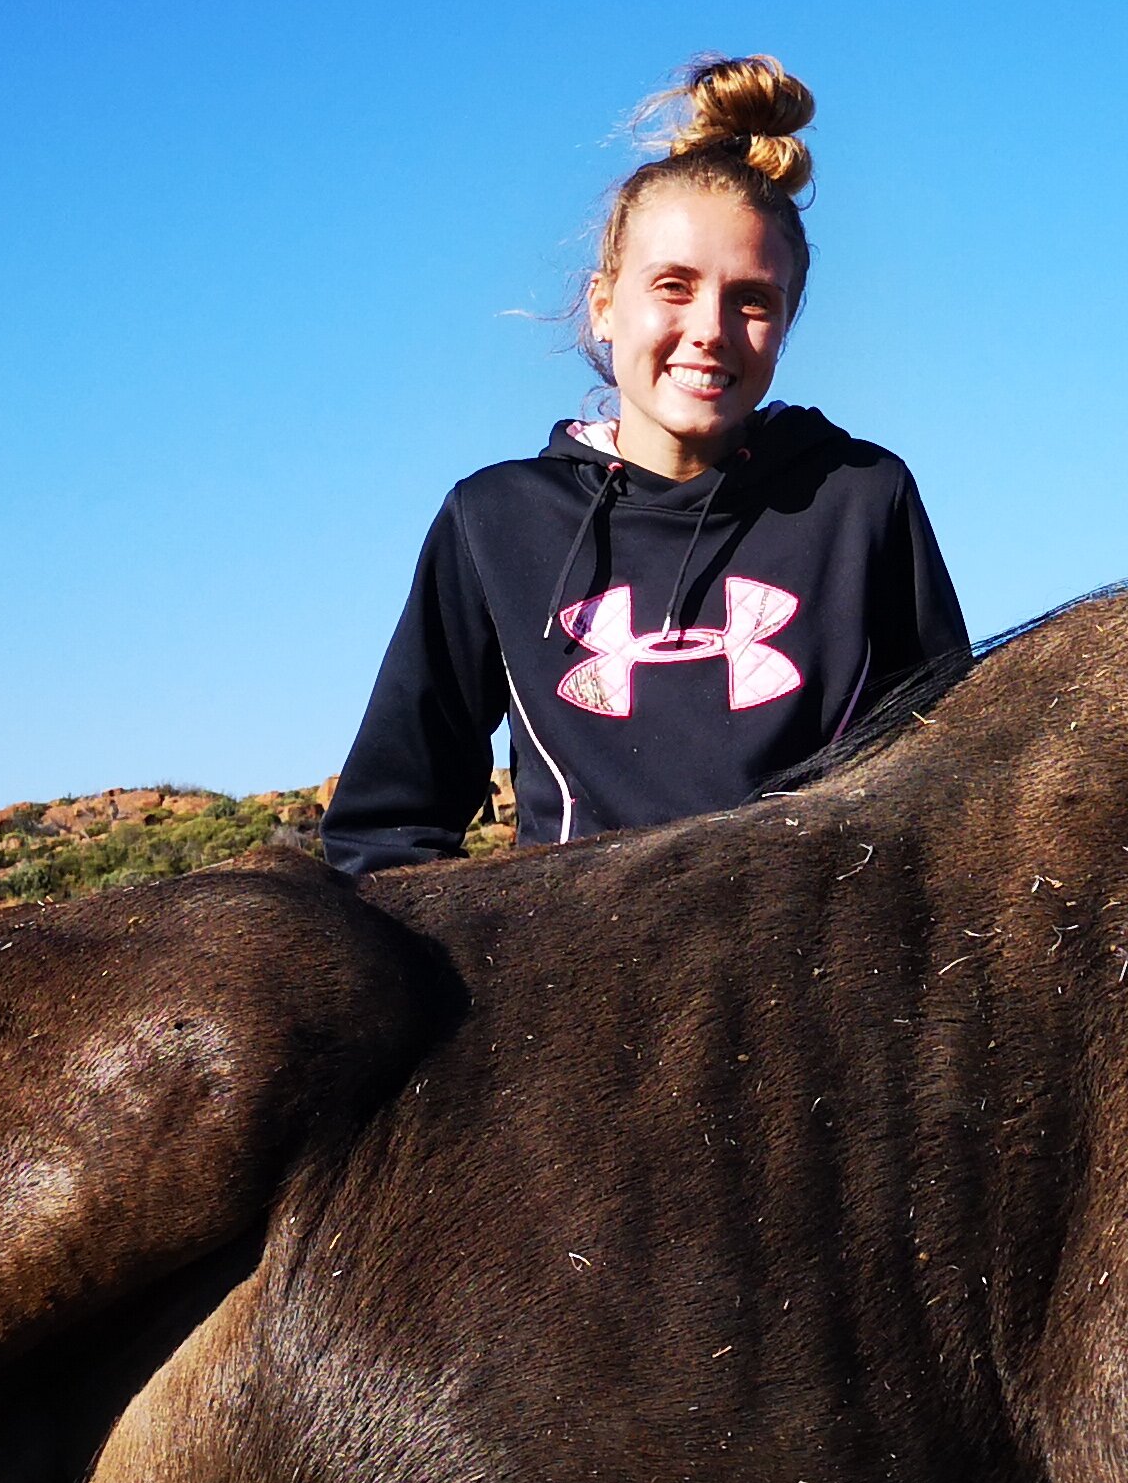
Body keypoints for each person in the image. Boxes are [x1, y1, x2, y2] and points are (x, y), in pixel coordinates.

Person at [320, 58, 969, 873]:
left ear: (790, 318)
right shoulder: (495, 522)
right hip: (572, 985)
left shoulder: (862, 500)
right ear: (603, 302)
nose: (710, 328)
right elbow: (383, 837)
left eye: (753, 299)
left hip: (811, 989)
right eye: (674, 286)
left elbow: (953, 796)